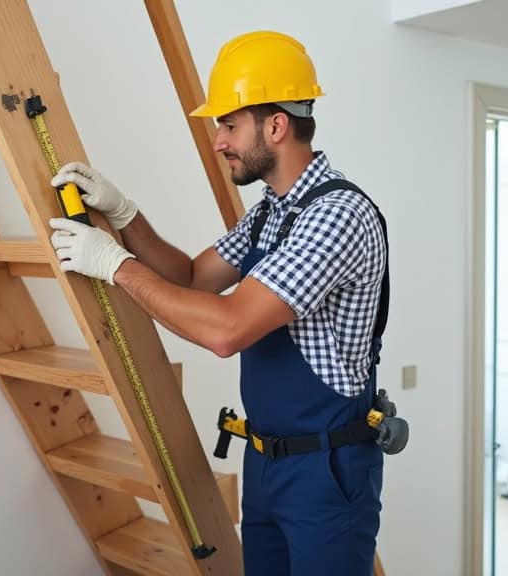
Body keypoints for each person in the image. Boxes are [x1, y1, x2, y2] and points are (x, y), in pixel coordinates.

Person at [48, 30, 388, 576]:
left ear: (275, 125)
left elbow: (227, 330)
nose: (218, 141)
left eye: (229, 125)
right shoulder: (271, 212)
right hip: (266, 461)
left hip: (326, 471)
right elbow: (192, 277)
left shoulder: (337, 215)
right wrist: (125, 215)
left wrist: (115, 265)